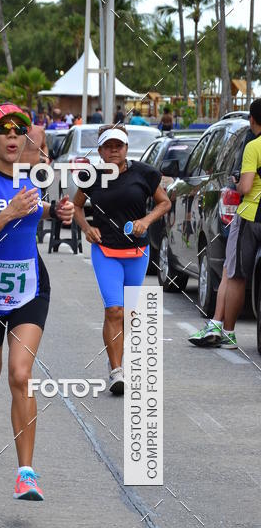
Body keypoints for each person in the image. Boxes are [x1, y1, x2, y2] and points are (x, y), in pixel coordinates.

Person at [0, 102, 74, 501]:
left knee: (20, 375)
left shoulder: (32, 178)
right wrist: (7, 216)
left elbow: (39, 210)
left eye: (18, 130)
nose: (11, 136)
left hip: (30, 289)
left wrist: (59, 212)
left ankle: (26, 473)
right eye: (3, 129)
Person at [72, 124, 171, 395]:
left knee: (127, 312)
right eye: (108, 146)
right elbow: (76, 205)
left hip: (137, 252)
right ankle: (117, 370)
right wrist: (87, 228)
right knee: (113, 309)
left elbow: (164, 203)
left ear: (126, 149)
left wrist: (146, 221)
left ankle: (115, 355)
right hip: (105, 251)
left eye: (119, 146)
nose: (114, 151)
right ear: (100, 151)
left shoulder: (144, 173)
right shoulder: (91, 176)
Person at [188, 105, 261, 349]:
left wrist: (237, 184)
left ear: (252, 119)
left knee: (235, 274)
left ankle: (227, 332)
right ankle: (217, 324)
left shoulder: (253, 146)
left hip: (251, 215)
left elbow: (246, 187)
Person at [19, 107, 50, 244]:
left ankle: (37, 231)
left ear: (31, 119)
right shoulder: (15, 133)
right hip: (18, 170)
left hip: (36, 170)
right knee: (21, 199)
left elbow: (44, 146)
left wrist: (46, 157)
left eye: (26, 119)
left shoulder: (39, 131)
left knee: (38, 200)